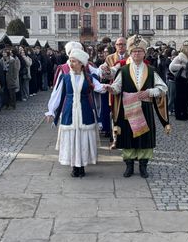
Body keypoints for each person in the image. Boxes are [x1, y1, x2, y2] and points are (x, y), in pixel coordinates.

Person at [110, 35, 170, 178]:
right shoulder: (123, 70)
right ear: (130, 53)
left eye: (140, 51)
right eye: (134, 51)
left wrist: (150, 91)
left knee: (145, 138)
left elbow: (163, 88)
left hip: (145, 109)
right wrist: (111, 89)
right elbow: (117, 87)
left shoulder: (151, 70)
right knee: (128, 137)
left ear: (144, 53)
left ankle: (143, 166)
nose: (137, 54)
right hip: (128, 109)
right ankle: (129, 166)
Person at [45, 48, 108, 177]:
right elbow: (56, 94)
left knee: (83, 138)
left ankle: (82, 165)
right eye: (70, 61)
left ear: (81, 63)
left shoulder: (89, 78)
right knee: (72, 138)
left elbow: (99, 87)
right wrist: (51, 110)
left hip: (85, 111)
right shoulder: (65, 77)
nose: (71, 64)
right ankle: (74, 166)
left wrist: (108, 87)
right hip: (70, 111)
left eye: (74, 61)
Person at [169, 41, 188, 120]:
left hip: (184, 79)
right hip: (180, 79)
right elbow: (171, 67)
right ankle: (179, 114)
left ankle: (184, 113)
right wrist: (182, 66)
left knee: (184, 97)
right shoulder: (180, 56)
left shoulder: (186, 56)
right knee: (179, 97)